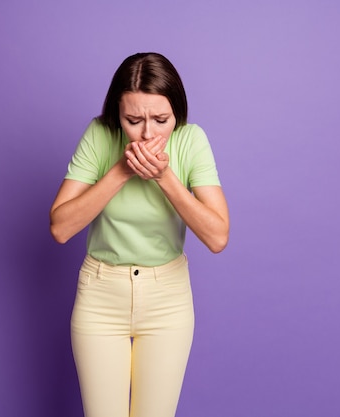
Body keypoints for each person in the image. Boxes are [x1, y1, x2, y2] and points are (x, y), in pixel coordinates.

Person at [49, 52, 229, 417]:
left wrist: (165, 178)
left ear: (176, 114)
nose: (148, 133)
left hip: (168, 299)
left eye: (161, 120)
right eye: (134, 120)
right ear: (117, 116)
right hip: (101, 296)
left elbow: (217, 236)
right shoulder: (100, 135)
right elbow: (61, 227)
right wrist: (121, 171)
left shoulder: (192, 141)